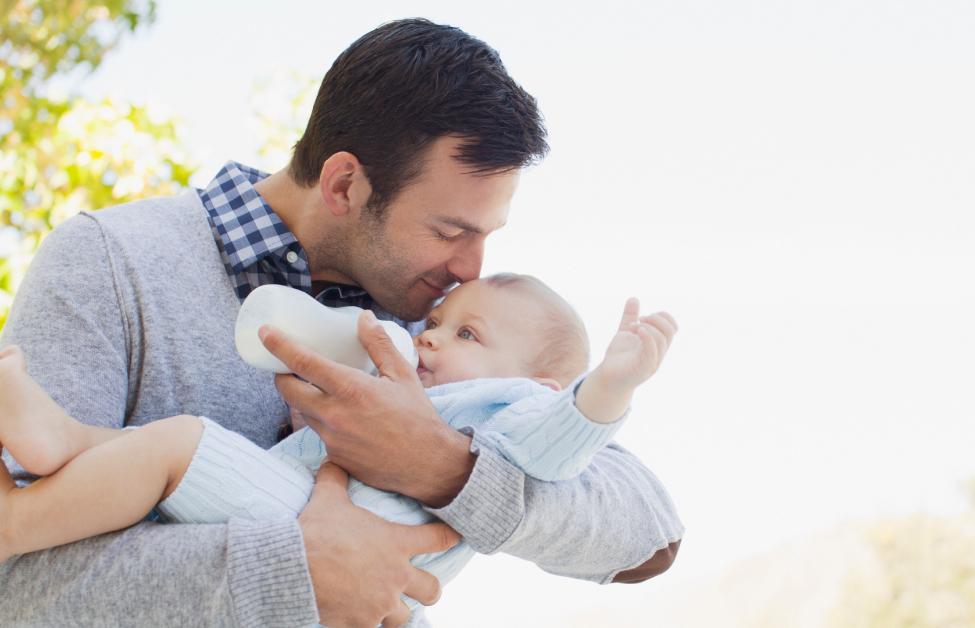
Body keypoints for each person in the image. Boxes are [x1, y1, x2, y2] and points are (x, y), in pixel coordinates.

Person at [0, 18, 682, 628]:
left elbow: (646, 537)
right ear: (344, 185)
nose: (473, 267)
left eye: (485, 234)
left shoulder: (439, 329)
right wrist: (289, 573)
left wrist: (443, 468)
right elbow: (12, 590)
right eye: (450, 230)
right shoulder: (112, 263)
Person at [0, 274, 678, 618]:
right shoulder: (109, 263)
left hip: (352, 541)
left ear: (541, 386)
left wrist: (606, 389)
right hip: (295, 518)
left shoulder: (507, 408)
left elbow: (574, 457)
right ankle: (63, 440)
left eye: (467, 335)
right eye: (438, 322)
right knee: (151, 454)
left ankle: (15, 519)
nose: (431, 336)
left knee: (181, 443)